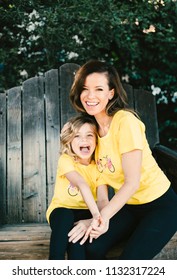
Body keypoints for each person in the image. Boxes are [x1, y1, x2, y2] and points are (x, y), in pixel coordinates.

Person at [68, 60, 177, 260]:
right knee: (92, 247)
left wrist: (104, 217)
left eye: (99, 89)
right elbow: (100, 186)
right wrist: (95, 219)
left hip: (160, 206)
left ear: (111, 93)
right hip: (129, 207)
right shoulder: (91, 130)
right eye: (85, 89)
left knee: (129, 263)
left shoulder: (125, 123)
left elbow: (132, 182)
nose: (90, 96)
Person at [46, 114, 108, 260]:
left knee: (77, 241)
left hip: (86, 213)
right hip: (61, 210)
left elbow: (103, 200)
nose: (84, 140)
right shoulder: (66, 160)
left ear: (97, 140)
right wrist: (96, 215)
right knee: (65, 217)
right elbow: (82, 184)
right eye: (77, 136)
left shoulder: (100, 166)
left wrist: (96, 220)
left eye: (89, 135)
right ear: (70, 141)